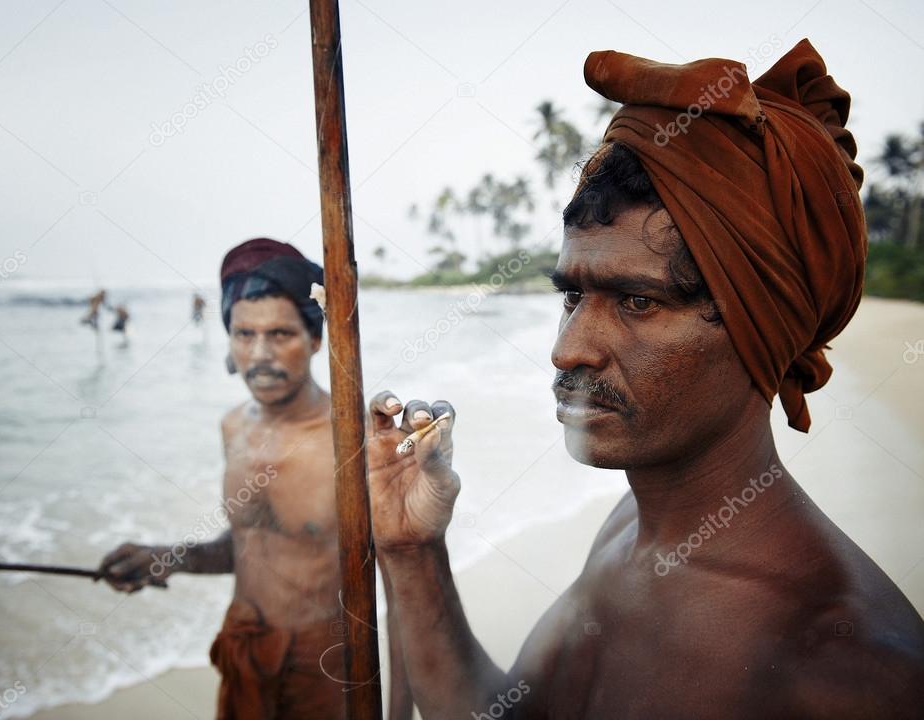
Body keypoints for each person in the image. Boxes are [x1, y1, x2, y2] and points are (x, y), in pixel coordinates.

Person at [365, 40, 924, 718]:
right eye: (571, 296)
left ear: (760, 327)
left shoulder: (846, 674)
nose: (568, 350)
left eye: (638, 302)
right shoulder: (629, 528)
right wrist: (412, 549)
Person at [98, 238, 412, 720]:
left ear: (314, 339)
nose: (260, 354)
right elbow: (249, 542)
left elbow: (402, 589)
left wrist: (399, 710)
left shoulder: (356, 440)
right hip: (244, 653)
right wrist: (168, 559)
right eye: (244, 335)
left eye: (280, 334)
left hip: (327, 669)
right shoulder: (234, 427)